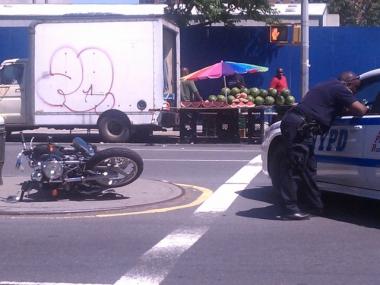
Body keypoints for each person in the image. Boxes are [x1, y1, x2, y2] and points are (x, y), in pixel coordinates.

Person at [277, 71, 368, 220]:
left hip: (298, 123)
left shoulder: (326, 86)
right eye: (355, 89)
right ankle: (289, 209)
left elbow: (323, 105)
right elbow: (360, 110)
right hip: (300, 125)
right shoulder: (340, 88)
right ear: (349, 83)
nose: (354, 92)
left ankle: (315, 205)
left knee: (308, 167)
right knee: (295, 167)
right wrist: (367, 108)